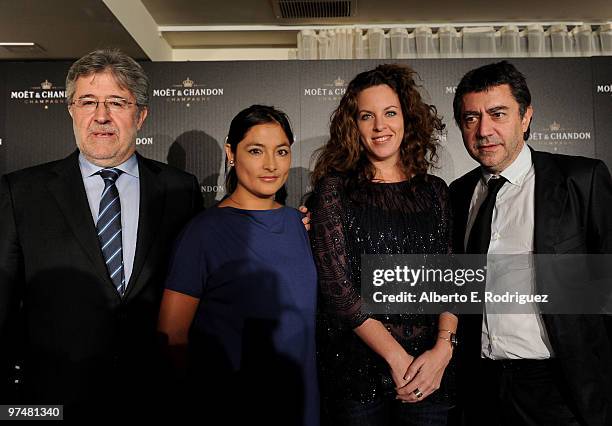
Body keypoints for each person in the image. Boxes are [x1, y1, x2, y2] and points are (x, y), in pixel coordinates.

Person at [0, 49, 203, 418]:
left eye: (117, 102)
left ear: (141, 114)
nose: (101, 116)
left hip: (155, 394)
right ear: (71, 110)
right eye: (88, 101)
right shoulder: (21, 193)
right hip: (56, 396)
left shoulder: (181, 190)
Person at [449, 60, 612, 426]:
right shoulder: (458, 194)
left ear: (526, 117)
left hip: (560, 387)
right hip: (481, 386)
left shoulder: (580, 180)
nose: (484, 130)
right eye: (471, 118)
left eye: (498, 114)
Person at [307, 64, 457, 425]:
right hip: (358, 376)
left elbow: (450, 277)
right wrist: (396, 358)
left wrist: (443, 348)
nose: (380, 127)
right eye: (366, 116)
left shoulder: (435, 192)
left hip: (430, 373)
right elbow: (337, 288)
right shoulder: (334, 190)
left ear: (407, 117)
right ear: (352, 125)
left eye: (390, 113)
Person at [157, 105, 319, 425]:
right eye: (256, 151)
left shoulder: (298, 224)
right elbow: (171, 334)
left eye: (281, 151)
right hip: (230, 405)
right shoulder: (203, 232)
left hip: (299, 403)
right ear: (231, 154)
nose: (271, 164)